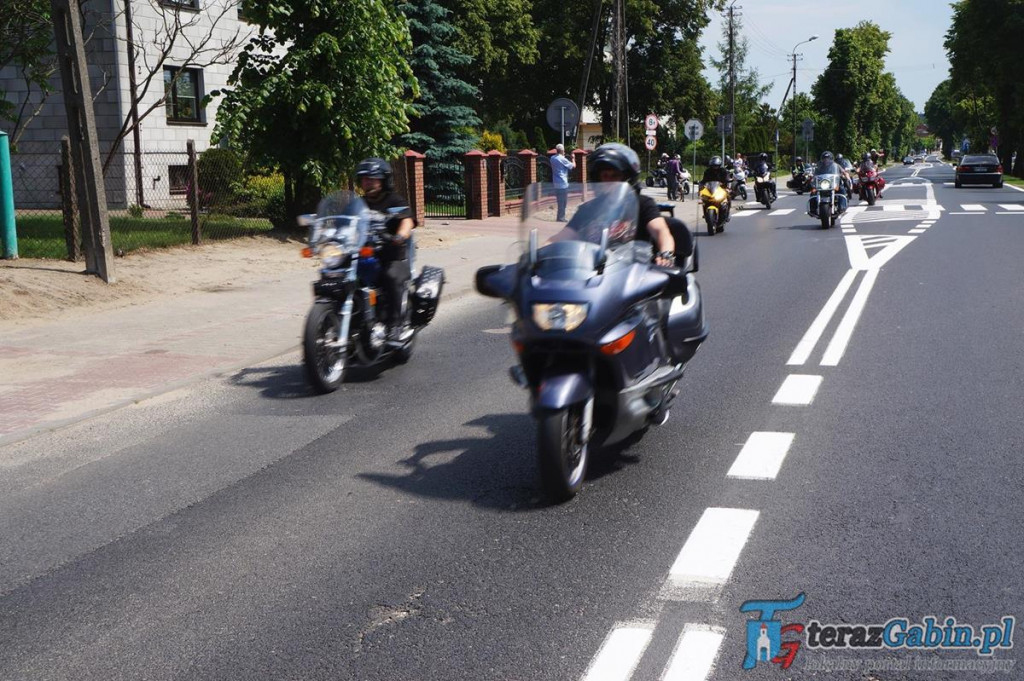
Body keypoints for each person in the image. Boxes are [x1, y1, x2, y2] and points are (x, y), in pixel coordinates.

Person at [565, 143, 691, 267]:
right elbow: (564, 235)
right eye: (605, 176)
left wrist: (666, 254)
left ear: (627, 178)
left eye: (615, 176)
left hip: (633, 272)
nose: (609, 180)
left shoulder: (643, 204)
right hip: (591, 271)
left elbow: (661, 231)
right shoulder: (588, 209)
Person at [356, 157, 416, 343]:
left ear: (383, 179)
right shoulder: (358, 203)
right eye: (364, 179)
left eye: (372, 178)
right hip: (362, 255)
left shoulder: (394, 200)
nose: (367, 182)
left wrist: (400, 236)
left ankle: (396, 325)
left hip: (391, 257)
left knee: (390, 277)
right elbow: (344, 222)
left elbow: (407, 221)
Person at [699, 155, 732, 223]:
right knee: (704, 199)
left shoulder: (723, 171)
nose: (715, 167)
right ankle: (705, 213)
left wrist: (728, 186)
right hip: (710, 189)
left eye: (716, 166)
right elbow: (704, 180)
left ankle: (727, 213)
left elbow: (727, 179)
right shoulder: (708, 171)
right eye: (713, 166)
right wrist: (700, 184)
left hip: (721, 188)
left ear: (719, 165)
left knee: (728, 197)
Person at [551, 144, 576, 221]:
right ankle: (561, 218)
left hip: (556, 183)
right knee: (563, 202)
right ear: (562, 150)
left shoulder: (552, 158)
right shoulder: (562, 159)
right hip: (562, 183)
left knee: (560, 202)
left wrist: (562, 155)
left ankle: (559, 217)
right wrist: (573, 158)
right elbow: (573, 166)